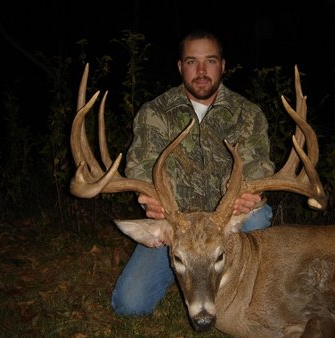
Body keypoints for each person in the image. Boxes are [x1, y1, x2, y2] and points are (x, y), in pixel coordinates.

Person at [111, 29, 275, 316]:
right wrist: (150, 198)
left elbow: (257, 167)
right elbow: (141, 169)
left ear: (222, 65)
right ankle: (195, 273)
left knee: (259, 215)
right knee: (129, 305)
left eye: (210, 61)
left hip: (223, 227)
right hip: (177, 229)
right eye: (191, 62)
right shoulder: (155, 113)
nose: (201, 70)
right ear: (180, 67)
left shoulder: (247, 114)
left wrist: (249, 195)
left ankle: (241, 292)